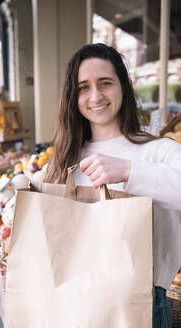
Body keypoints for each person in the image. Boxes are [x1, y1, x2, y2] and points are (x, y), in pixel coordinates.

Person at [44, 43, 181, 327]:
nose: (95, 96)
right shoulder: (65, 160)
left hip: (140, 305)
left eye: (105, 83)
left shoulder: (158, 150)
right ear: (73, 96)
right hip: (75, 302)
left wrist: (130, 170)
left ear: (122, 86)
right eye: (83, 87)